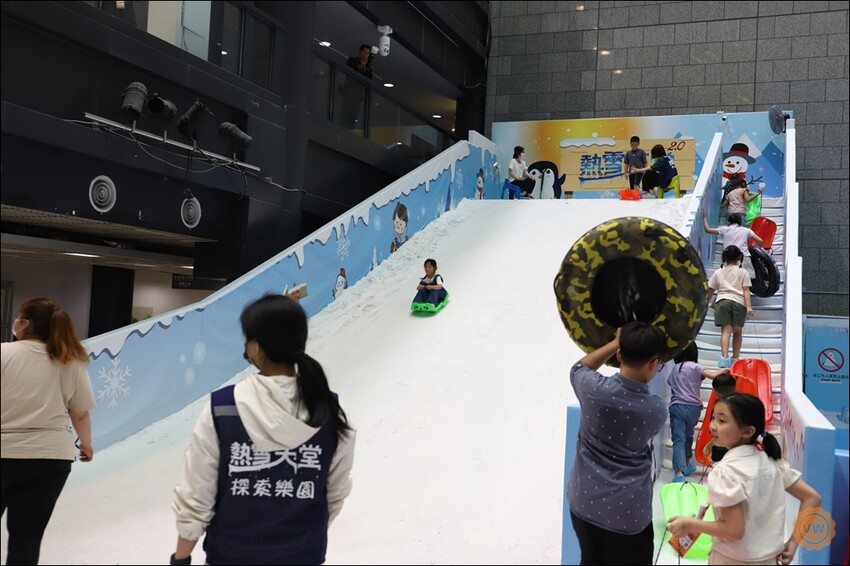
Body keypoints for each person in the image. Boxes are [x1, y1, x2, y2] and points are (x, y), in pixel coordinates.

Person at [171, 295, 355, 566]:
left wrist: (181, 558)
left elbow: (197, 495)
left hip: (231, 556)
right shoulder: (330, 411)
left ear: (255, 347)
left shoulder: (222, 409)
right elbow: (335, 494)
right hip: (304, 556)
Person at [667, 394, 822, 566]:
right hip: (770, 560)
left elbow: (734, 530)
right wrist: (794, 542)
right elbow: (812, 497)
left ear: (748, 431)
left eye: (722, 421)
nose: (712, 426)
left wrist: (691, 523)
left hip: (731, 560)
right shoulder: (772, 463)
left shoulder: (725, 472)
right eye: (713, 418)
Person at [1, 297, 96, 565]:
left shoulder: (3, 354)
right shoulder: (70, 362)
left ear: (25, 324)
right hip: (49, 458)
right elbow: (79, 413)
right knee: (26, 537)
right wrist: (86, 445)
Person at [567, 322, 668, 565]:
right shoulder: (655, 409)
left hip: (585, 503)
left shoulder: (591, 388)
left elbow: (579, 367)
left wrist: (614, 343)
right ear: (653, 363)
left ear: (619, 354)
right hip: (627, 515)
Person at [668, 342, 730, 483]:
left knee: (678, 439)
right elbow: (713, 376)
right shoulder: (696, 367)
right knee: (689, 436)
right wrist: (725, 371)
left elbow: (670, 384)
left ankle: (679, 472)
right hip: (693, 408)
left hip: (677, 406)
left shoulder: (675, 369)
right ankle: (688, 463)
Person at [708, 245, 754, 369]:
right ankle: (735, 358)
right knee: (737, 332)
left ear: (724, 256)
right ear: (739, 257)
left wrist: (707, 302)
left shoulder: (718, 272)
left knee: (725, 331)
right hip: (739, 303)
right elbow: (746, 290)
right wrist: (749, 307)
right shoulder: (743, 272)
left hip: (722, 301)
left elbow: (711, 289)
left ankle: (724, 358)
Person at [703, 210, 763, 280]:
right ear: (740, 221)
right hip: (744, 258)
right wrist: (759, 249)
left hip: (729, 259)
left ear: (729, 221)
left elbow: (708, 230)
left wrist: (704, 217)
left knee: (730, 281)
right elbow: (760, 240)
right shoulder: (746, 230)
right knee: (746, 281)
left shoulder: (724, 229)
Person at [702, 373, 738, 465]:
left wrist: (708, 447)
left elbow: (722, 432)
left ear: (717, 391)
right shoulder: (742, 404)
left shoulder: (721, 407)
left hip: (722, 452)